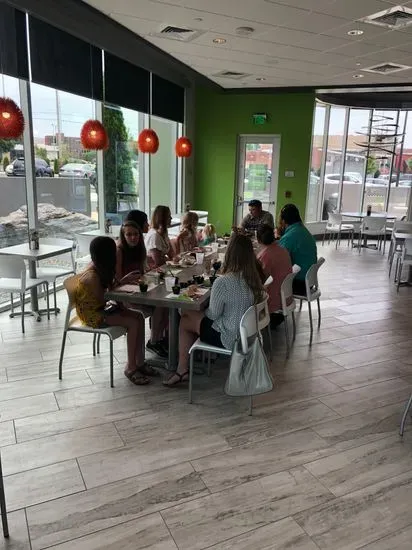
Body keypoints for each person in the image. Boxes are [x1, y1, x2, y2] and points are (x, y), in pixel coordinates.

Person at [163, 234, 264, 386]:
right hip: (247, 336)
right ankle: (196, 360)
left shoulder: (223, 281)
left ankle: (182, 369)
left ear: (229, 253)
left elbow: (212, 315)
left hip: (229, 338)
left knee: (185, 319)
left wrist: (199, 311)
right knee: (191, 316)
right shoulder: (253, 278)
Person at [73, 236, 152, 385]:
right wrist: (118, 289)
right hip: (93, 314)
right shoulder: (92, 276)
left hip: (102, 308)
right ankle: (131, 367)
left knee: (139, 317)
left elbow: (110, 293)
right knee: (132, 322)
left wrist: (122, 282)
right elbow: (105, 298)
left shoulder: (101, 269)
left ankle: (140, 362)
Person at [116, 221, 168, 359]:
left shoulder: (140, 249)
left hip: (140, 290)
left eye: (135, 234)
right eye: (129, 235)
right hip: (125, 297)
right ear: (123, 235)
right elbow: (117, 280)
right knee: (161, 304)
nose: (133, 237)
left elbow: (141, 272)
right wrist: (130, 279)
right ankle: (154, 341)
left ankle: (159, 339)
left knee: (166, 304)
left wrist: (149, 271)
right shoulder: (119, 251)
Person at [256, 224, 292, 328]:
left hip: (272, 306)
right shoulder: (283, 250)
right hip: (285, 299)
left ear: (258, 239)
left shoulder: (265, 256)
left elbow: (258, 280)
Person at [278, 204, 317, 295]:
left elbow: (278, 258)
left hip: (299, 284)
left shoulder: (289, 236)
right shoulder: (302, 230)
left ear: (283, 221)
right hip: (309, 282)